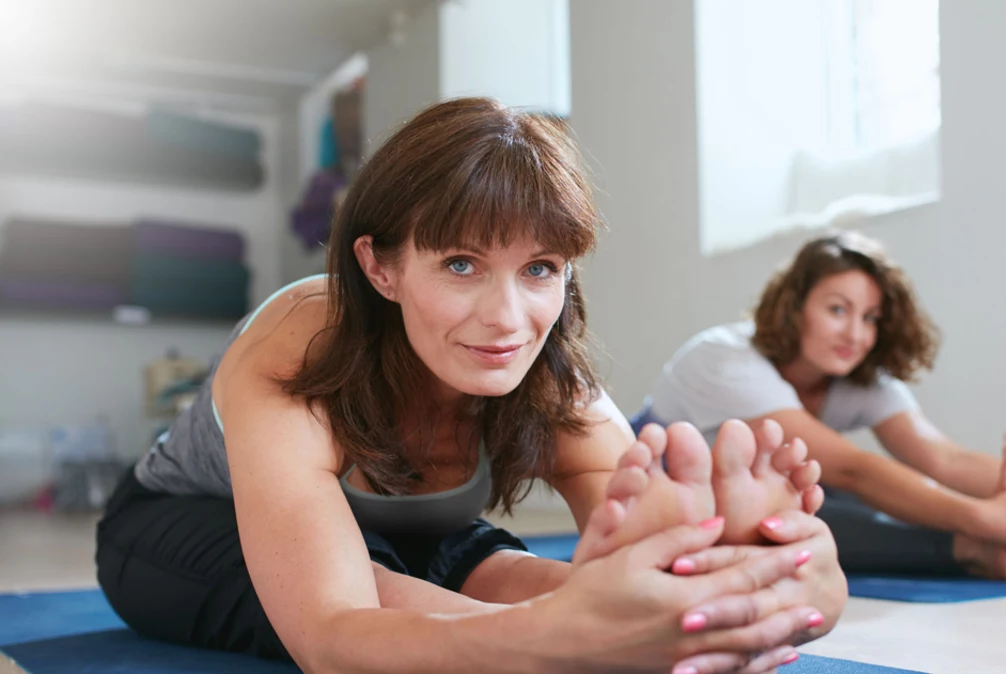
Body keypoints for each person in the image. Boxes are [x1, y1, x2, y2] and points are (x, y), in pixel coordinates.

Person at [96, 97, 846, 674]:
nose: (508, 319)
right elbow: (331, 633)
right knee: (392, 591)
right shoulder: (299, 348)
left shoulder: (551, 378)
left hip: (413, 538)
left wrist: (767, 578)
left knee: (537, 579)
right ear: (379, 266)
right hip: (186, 525)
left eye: (539, 269)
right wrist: (570, 638)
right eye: (461, 264)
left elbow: (663, 560)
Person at [640, 231, 1006, 580]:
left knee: (814, 489)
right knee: (795, 501)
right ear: (794, 306)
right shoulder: (723, 358)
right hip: (660, 492)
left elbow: (942, 457)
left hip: (770, 482)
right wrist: (990, 518)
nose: (856, 335)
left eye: (870, 318)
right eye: (837, 310)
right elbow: (852, 468)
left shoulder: (858, 375)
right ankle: (971, 546)